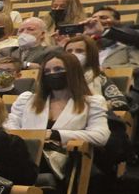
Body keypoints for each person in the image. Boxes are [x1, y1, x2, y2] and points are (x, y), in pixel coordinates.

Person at [6, 50, 109, 187]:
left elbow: (101, 136)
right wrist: (27, 138)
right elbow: (9, 125)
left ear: (72, 72)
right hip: (24, 153)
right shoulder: (26, 99)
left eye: (58, 69)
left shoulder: (92, 102)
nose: (52, 74)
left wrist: (56, 134)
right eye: (47, 71)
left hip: (58, 159)